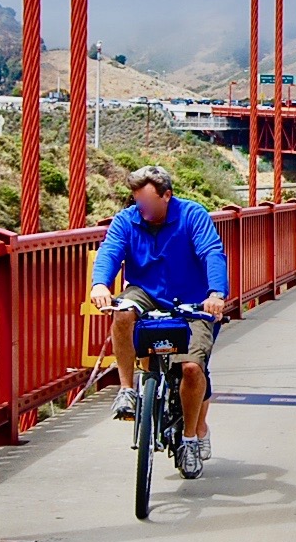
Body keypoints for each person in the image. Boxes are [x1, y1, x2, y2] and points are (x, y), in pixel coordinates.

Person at [89, 165, 229, 479]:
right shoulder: (127, 220)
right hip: (146, 292)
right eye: (139, 203)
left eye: (149, 204)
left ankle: (190, 439)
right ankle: (127, 389)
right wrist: (100, 284)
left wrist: (215, 292)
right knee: (123, 310)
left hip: (191, 299)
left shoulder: (193, 216)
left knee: (192, 369)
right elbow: (110, 251)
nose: (144, 210)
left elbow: (212, 253)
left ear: (168, 195)